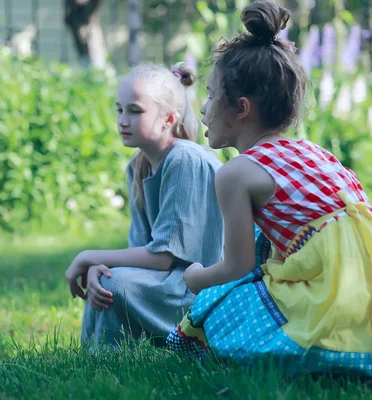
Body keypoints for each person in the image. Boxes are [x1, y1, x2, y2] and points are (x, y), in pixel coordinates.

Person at [167, 1, 372, 376]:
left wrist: (195, 276)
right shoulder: (312, 151)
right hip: (364, 280)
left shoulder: (236, 173)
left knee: (214, 308)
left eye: (211, 96)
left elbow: (237, 267)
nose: (202, 108)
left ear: (240, 108)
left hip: (333, 289)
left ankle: (319, 352)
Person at [64, 62, 224, 349]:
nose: (123, 120)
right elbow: (139, 248)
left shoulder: (184, 159)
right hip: (169, 281)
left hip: (201, 287)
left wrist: (88, 256)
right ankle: (95, 358)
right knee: (109, 278)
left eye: (135, 111)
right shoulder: (137, 166)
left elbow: (163, 257)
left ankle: (107, 359)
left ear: (168, 118)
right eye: (119, 109)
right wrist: (99, 266)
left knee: (116, 282)